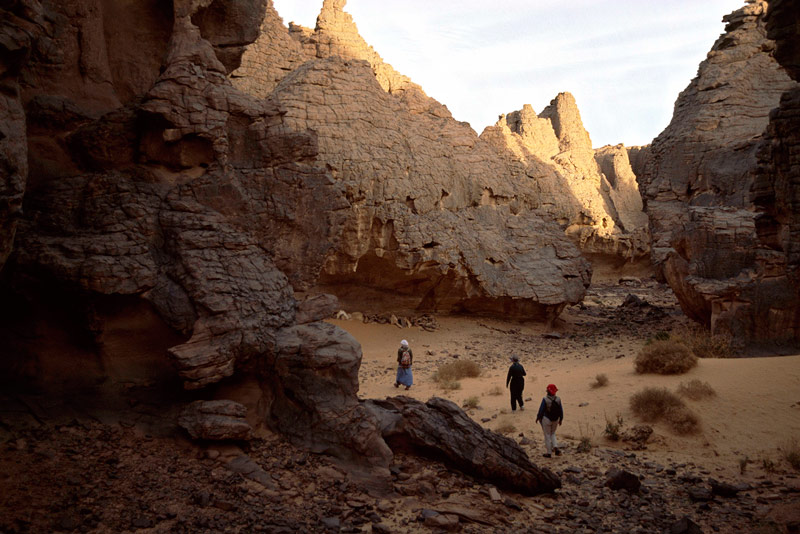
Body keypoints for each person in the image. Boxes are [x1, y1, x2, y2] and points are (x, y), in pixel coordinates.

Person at [535, 384, 563, 458]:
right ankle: (555, 446)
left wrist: (538, 417)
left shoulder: (545, 399)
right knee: (553, 433)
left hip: (547, 419)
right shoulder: (558, 399)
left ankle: (549, 453)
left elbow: (541, 410)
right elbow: (561, 410)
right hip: (556, 419)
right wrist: (561, 419)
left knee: (547, 435)